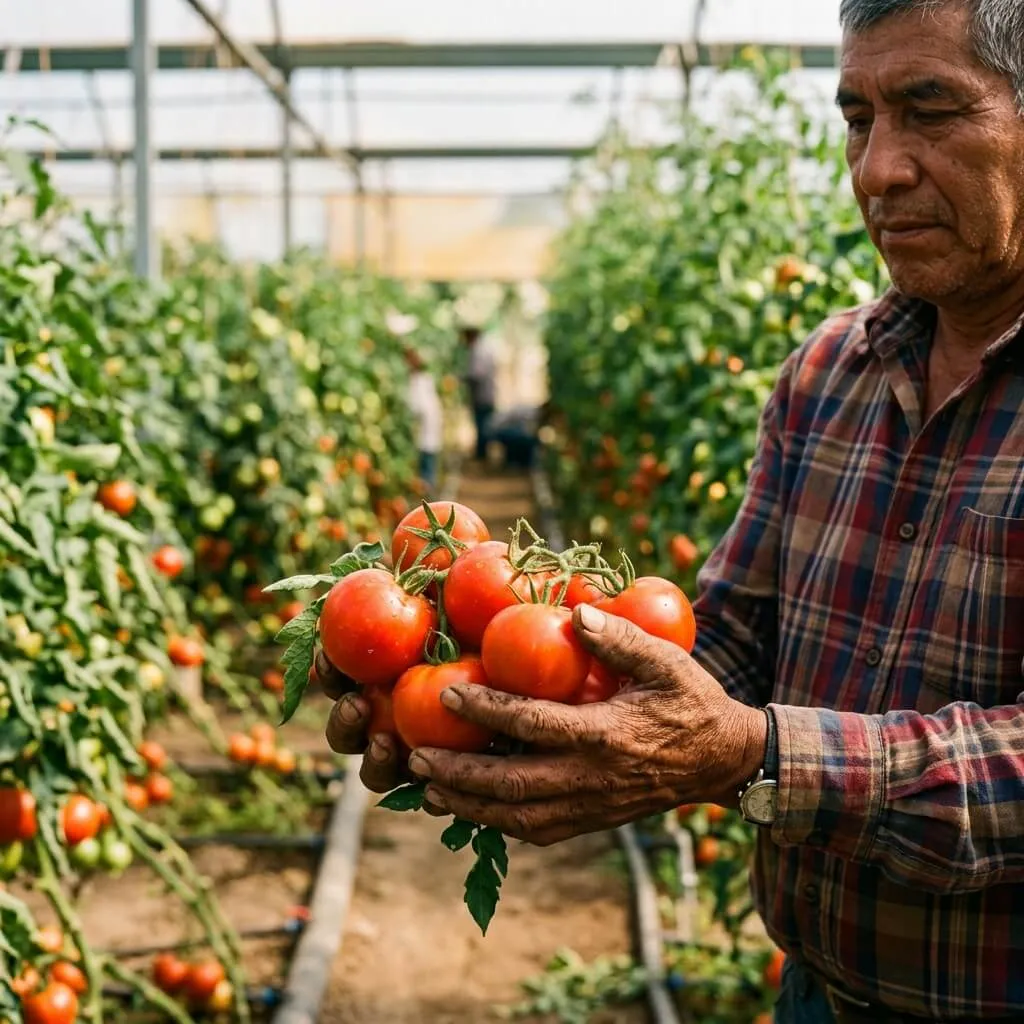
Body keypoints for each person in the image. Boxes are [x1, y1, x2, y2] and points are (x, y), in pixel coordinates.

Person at [322, 3, 1024, 1021]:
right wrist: (535, 717)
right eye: (856, 117)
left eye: (930, 110)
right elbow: (730, 639)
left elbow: (749, 730)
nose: (878, 169)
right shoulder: (828, 374)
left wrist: (756, 752)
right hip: (818, 992)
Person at [404, 347, 443, 494]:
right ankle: (428, 487)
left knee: (427, 457)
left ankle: (428, 489)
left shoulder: (419, 380)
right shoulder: (424, 378)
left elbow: (418, 406)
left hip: (425, 424)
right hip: (428, 423)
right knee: (428, 454)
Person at [461, 326, 496, 462]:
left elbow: (477, 374)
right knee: (483, 424)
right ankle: (482, 453)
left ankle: (482, 455)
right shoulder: (484, 349)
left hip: (482, 396)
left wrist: (461, 378)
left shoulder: (479, 351)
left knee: (483, 425)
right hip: (486, 395)